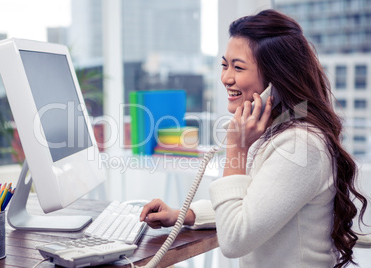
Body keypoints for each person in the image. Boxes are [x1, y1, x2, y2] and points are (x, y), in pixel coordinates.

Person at [139, 9, 368, 268]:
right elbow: (254, 204)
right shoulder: (272, 132)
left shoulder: (300, 145)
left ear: (277, 78)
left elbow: (235, 240)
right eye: (224, 65)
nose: (226, 78)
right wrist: (184, 215)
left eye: (238, 67)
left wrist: (236, 147)